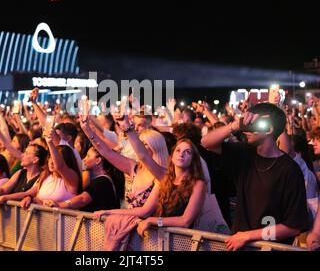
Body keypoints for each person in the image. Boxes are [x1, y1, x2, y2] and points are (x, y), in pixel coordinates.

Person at [202, 103, 309, 250]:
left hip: (269, 247)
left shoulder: (289, 170)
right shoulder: (245, 154)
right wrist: (236, 125)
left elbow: (293, 226)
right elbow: (206, 142)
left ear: (269, 129)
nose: (246, 130)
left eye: (252, 124)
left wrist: (248, 236)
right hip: (239, 246)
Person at [93, 139, 206, 235]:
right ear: (171, 157)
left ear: (193, 160)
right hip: (159, 238)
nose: (181, 154)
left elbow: (185, 221)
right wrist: (108, 212)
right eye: (178, 150)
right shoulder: (166, 179)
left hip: (181, 241)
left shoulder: (198, 184)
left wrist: (153, 221)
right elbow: (143, 211)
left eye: (187, 152)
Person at [44, 146, 124, 212]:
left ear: (98, 160)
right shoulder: (105, 180)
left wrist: (60, 205)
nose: (84, 159)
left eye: (88, 156)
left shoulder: (102, 181)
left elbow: (83, 199)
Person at [0, 144, 47, 212]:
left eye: (26, 153)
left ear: (35, 160)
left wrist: (4, 197)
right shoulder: (20, 172)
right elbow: (3, 189)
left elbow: (27, 194)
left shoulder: (43, 176)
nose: (22, 155)